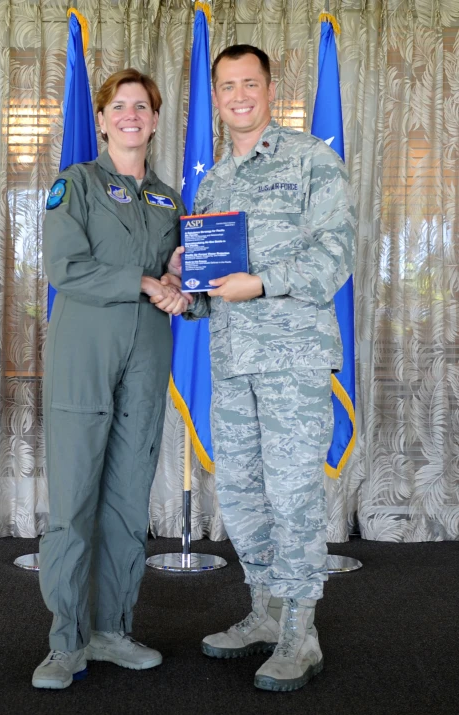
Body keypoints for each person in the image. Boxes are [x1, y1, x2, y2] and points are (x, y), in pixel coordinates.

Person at [166, 44, 355, 691]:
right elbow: (209, 284)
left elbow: (336, 257)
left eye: (251, 83)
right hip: (232, 361)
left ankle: (302, 632)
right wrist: (180, 290)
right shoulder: (213, 182)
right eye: (227, 86)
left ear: (271, 89)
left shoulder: (312, 161)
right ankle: (267, 611)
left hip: (292, 361)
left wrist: (262, 282)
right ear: (215, 97)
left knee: (293, 496)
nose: (239, 95)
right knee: (242, 496)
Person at [33, 68, 189, 690]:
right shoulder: (73, 186)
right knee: (73, 503)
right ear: (100, 120)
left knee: (127, 499)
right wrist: (143, 283)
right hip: (84, 352)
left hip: (147, 354)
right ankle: (64, 641)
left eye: (142, 107)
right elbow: (64, 265)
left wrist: (178, 279)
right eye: (118, 106)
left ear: (154, 121)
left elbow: (177, 281)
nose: (130, 115)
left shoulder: (170, 200)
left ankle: (112, 628)